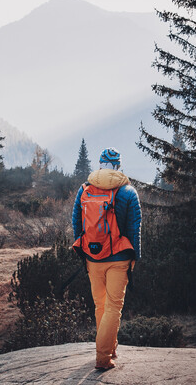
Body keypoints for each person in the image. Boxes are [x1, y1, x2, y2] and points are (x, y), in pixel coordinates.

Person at [72, 147, 142, 370]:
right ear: (118, 166)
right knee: (113, 307)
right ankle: (103, 358)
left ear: (100, 164)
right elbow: (134, 229)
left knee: (100, 305)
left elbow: (77, 224)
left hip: (93, 258)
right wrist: (134, 258)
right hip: (119, 258)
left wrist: (84, 253)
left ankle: (110, 348)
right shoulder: (128, 192)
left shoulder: (84, 190)